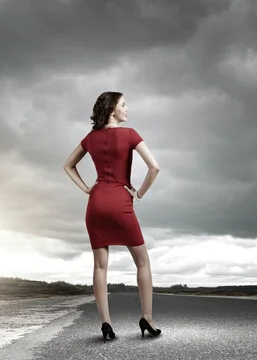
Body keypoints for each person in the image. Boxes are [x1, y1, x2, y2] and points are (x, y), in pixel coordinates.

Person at [63, 91, 161, 342]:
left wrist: (87, 188)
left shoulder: (90, 138)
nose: (128, 109)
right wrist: (138, 193)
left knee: (99, 265)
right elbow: (154, 167)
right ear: (112, 110)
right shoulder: (130, 135)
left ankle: (106, 324)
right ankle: (147, 318)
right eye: (124, 105)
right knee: (142, 262)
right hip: (120, 201)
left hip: (96, 203)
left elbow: (68, 165)